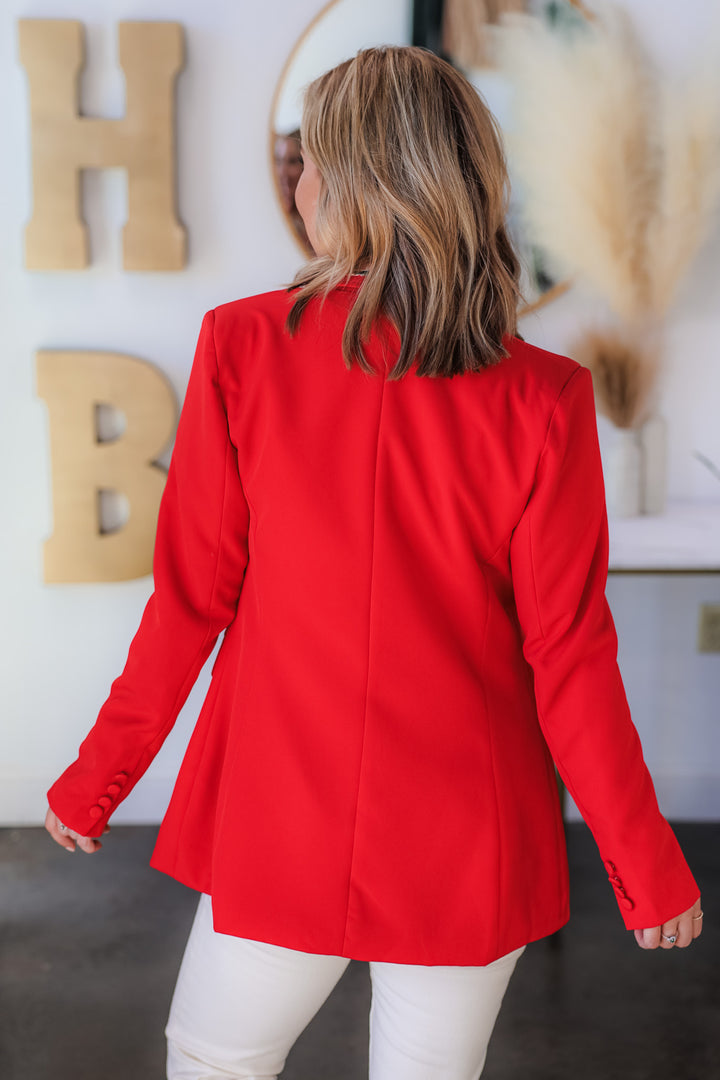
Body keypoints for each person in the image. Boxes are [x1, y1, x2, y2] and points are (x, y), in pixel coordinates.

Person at [45, 45, 702, 1080]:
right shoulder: (546, 399)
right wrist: (646, 864)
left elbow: (190, 600)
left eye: (305, 159)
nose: (296, 182)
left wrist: (97, 779)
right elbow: (569, 656)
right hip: (465, 838)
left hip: (279, 814)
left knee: (215, 1063)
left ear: (342, 182)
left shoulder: (242, 347)